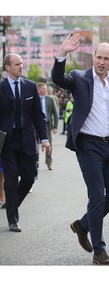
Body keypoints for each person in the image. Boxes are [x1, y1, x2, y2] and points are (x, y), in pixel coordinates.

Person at [51, 33, 109, 266]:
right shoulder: (80, 78)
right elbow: (58, 79)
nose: (102, 62)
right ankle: (99, 251)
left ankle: (82, 225)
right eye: (98, 57)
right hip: (88, 146)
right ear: (93, 57)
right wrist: (62, 54)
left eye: (106, 58)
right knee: (96, 196)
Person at [0, 53, 50, 232]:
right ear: (8, 68)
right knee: (11, 181)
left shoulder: (30, 87)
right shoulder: (1, 88)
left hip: (27, 140)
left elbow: (38, 115)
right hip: (8, 142)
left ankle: (12, 204)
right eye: (17, 64)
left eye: (22, 63)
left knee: (29, 178)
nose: (21, 67)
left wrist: (44, 139)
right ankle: (13, 218)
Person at [37, 82, 59, 171]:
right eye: (44, 89)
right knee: (34, 144)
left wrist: (55, 126)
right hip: (35, 125)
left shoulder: (50, 99)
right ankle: (35, 163)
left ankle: (49, 162)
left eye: (46, 89)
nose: (46, 90)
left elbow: (56, 113)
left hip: (47, 124)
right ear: (38, 90)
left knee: (48, 144)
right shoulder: (35, 99)